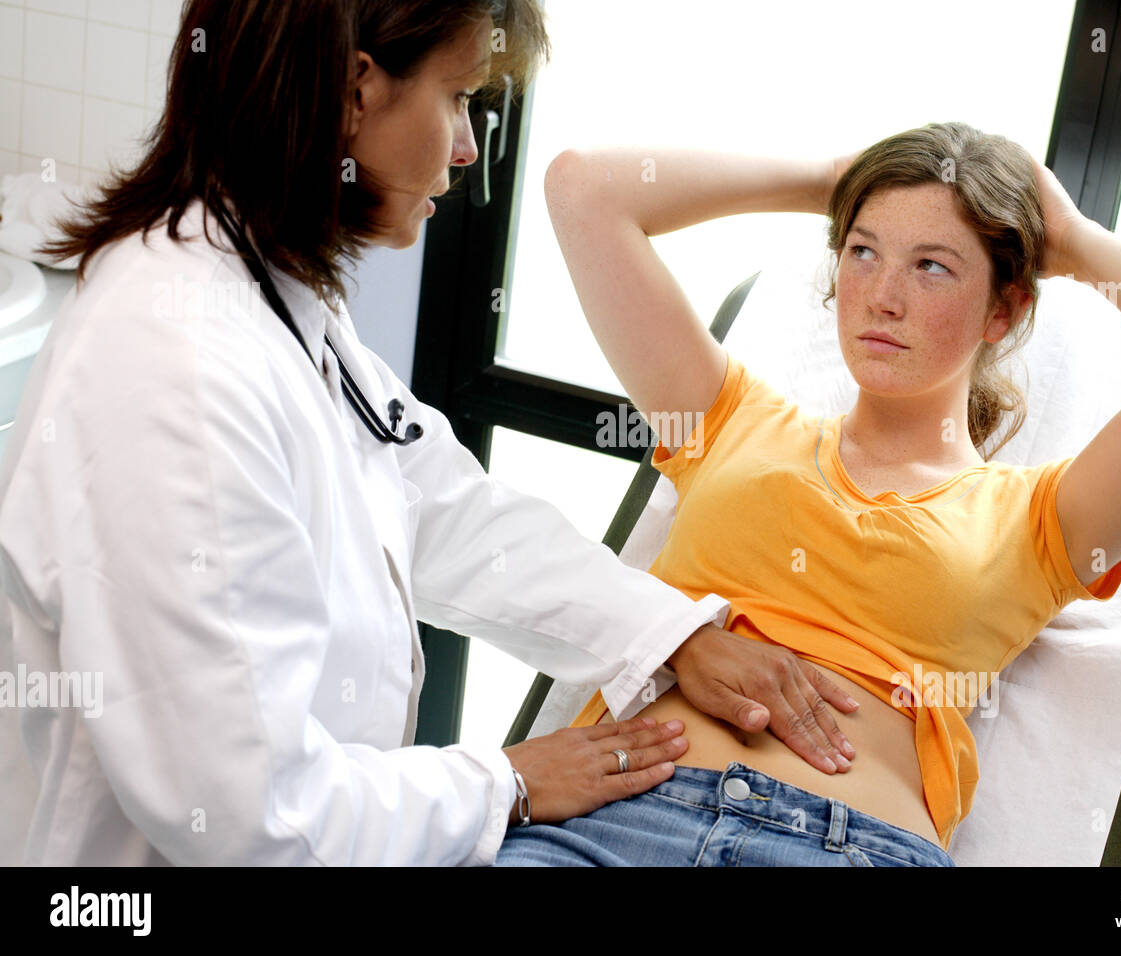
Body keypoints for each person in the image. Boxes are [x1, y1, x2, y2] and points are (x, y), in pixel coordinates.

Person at [0, 0, 861, 867]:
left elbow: (439, 503)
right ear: (353, 92)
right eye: (457, 97)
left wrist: (666, 635)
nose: (466, 148)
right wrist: (506, 784)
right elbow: (256, 816)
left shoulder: (272, 292)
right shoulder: (173, 370)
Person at [494, 122, 1121, 866]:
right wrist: (833, 181)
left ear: (1003, 309)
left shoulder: (1041, 522)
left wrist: (1064, 237)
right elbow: (583, 188)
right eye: (862, 252)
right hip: (608, 822)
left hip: (847, 845)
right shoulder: (726, 418)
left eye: (931, 266)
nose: (882, 297)